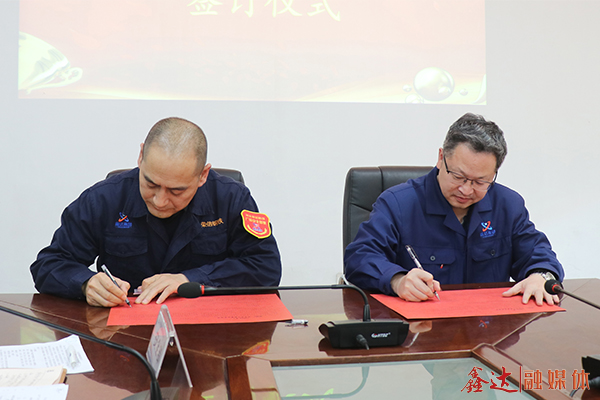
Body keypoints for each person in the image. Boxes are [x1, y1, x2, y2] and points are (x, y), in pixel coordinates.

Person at [31, 117, 282, 307]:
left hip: (210, 334)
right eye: (151, 184)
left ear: (202, 175)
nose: (160, 201)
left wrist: (190, 279)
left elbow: (266, 267)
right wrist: (85, 283)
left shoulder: (231, 199)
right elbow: (48, 265)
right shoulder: (104, 199)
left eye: (176, 191)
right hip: (126, 335)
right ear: (140, 156)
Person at [344, 113, 564, 305]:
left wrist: (541, 276)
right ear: (441, 158)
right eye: (458, 176)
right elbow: (360, 257)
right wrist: (397, 280)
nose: (466, 190)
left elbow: (538, 254)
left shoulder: (508, 205)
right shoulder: (398, 204)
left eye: (480, 181)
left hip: (488, 327)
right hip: (422, 329)